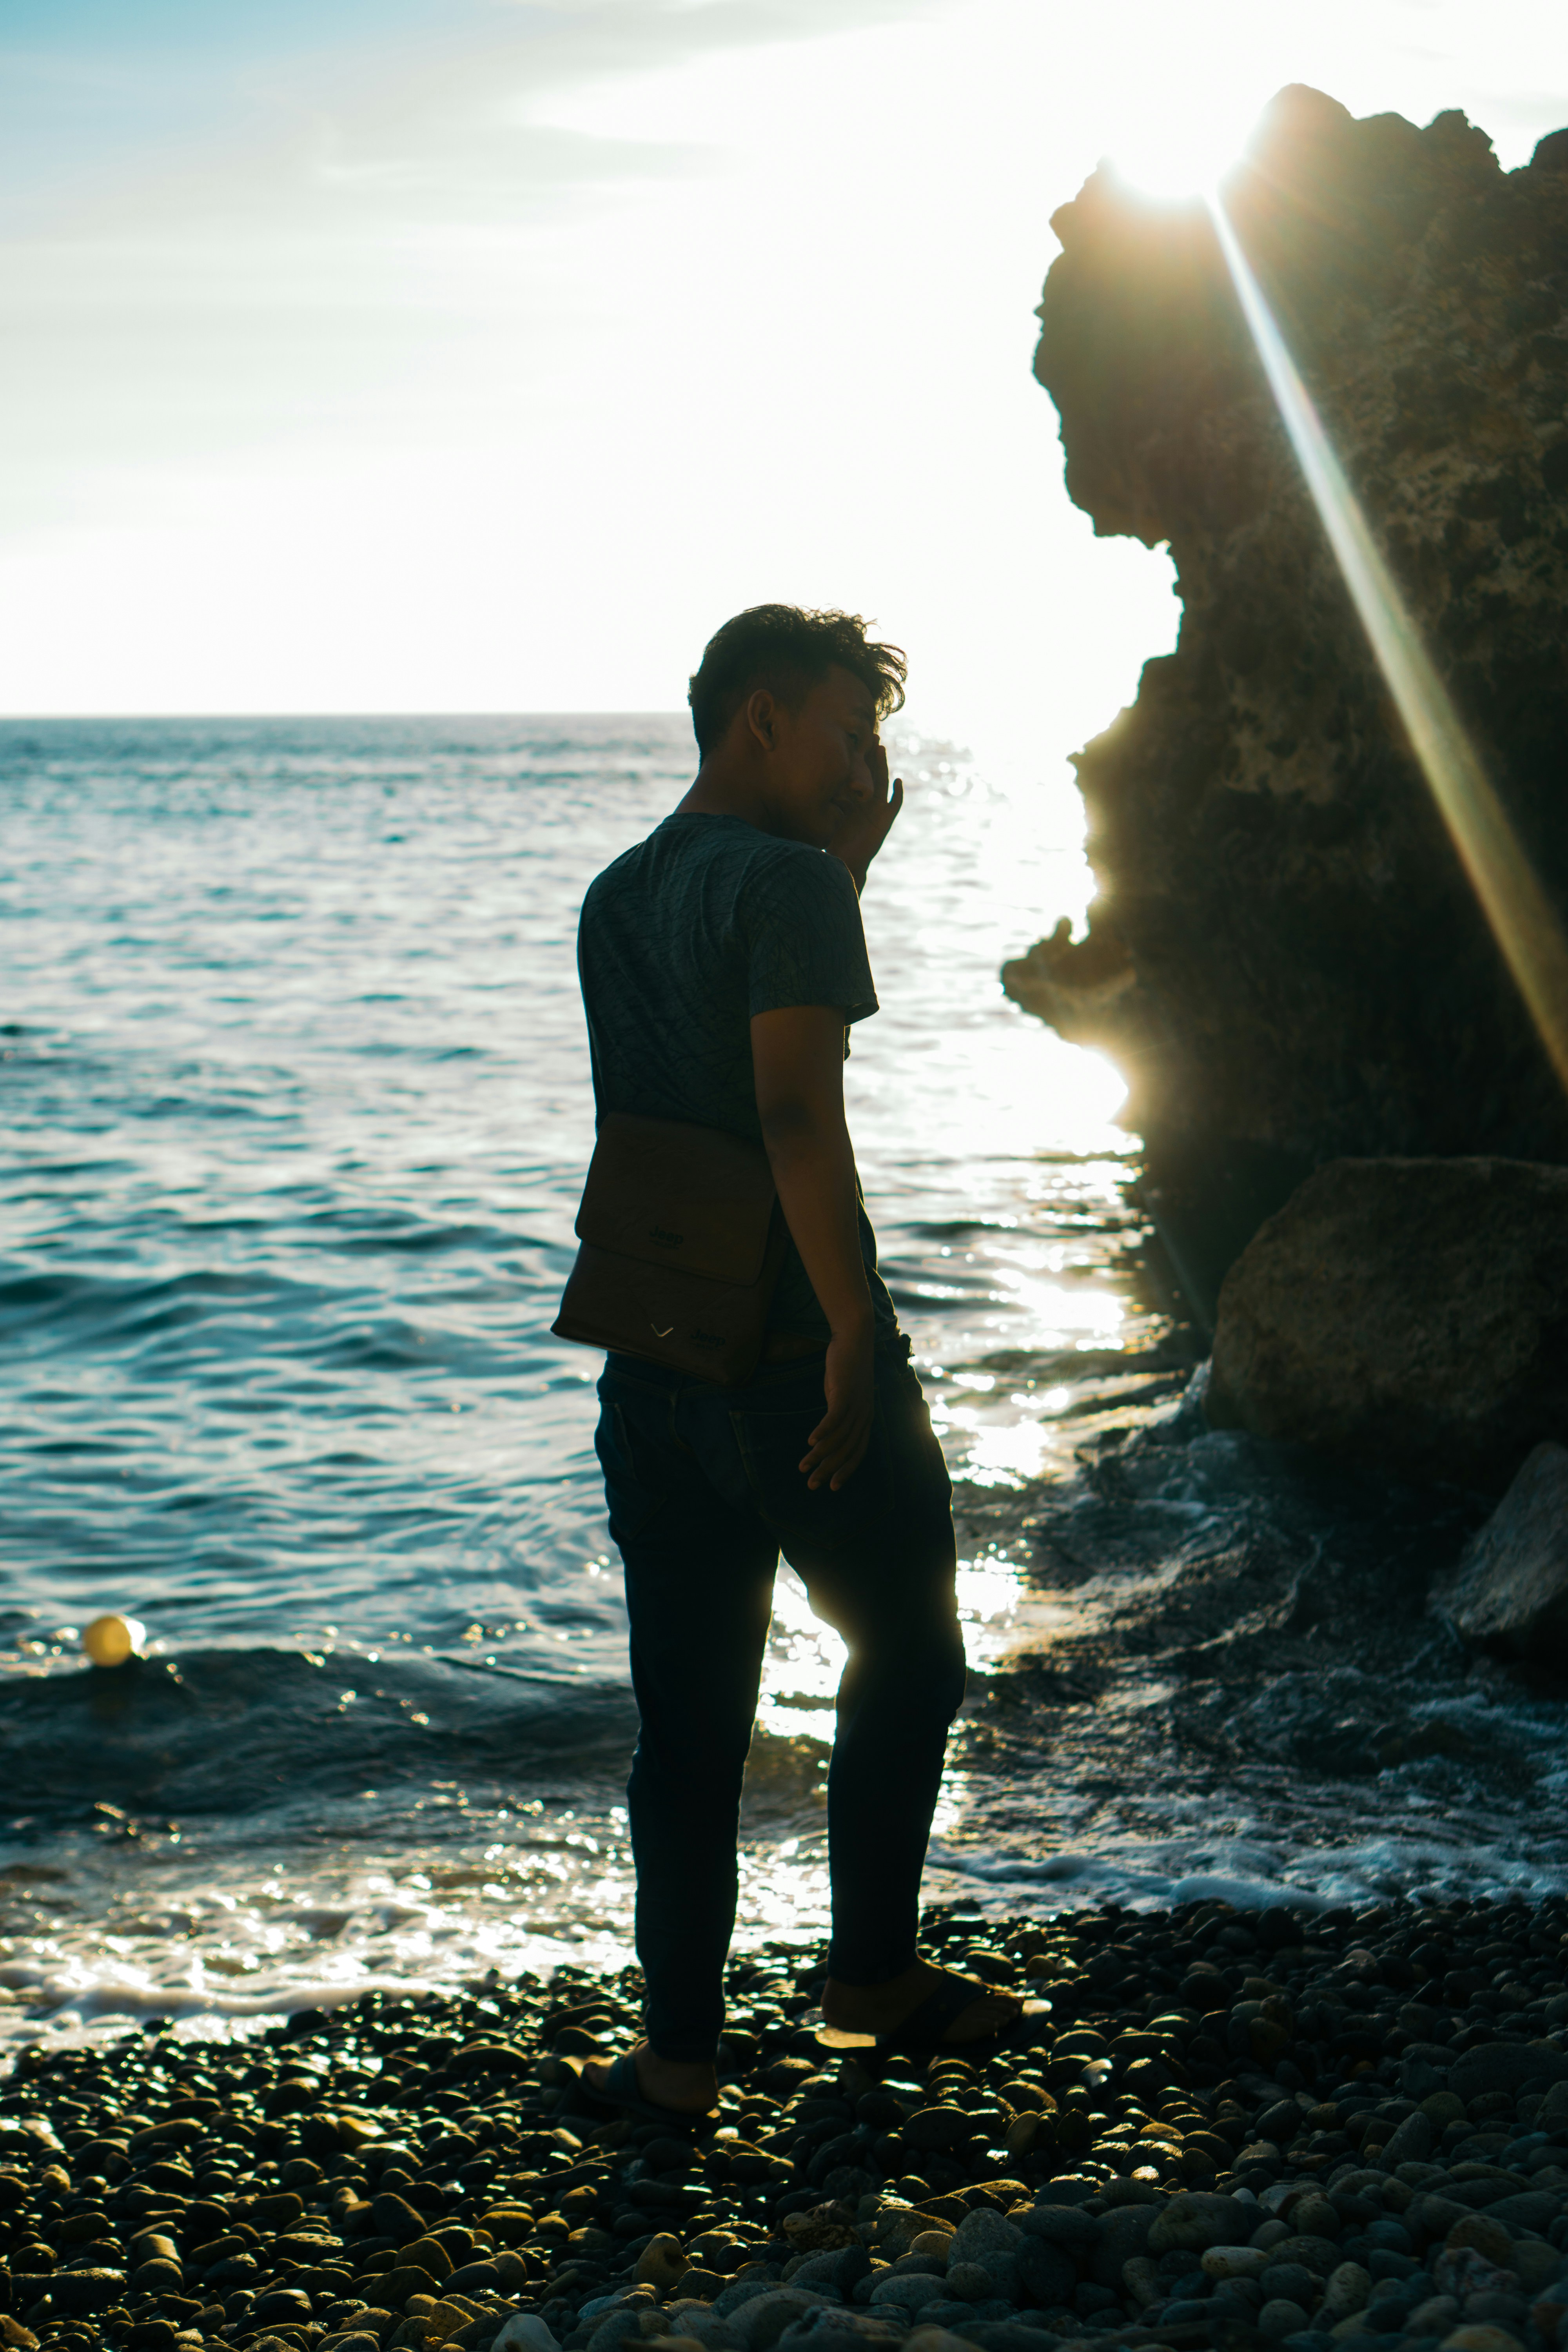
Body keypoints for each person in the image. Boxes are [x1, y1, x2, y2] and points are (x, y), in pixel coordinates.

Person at [575, 604, 1021, 2127]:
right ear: (758, 717)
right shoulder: (786, 886)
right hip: (786, 1350)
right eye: (845, 731)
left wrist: (841, 874)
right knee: (909, 1648)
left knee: (687, 1718)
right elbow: (786, 1115)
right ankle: (869, 1979)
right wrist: (848, 1335)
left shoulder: (619, 894)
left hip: (652, 1356)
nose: (863, 762)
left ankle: (679, 2058)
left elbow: (685, 1084)